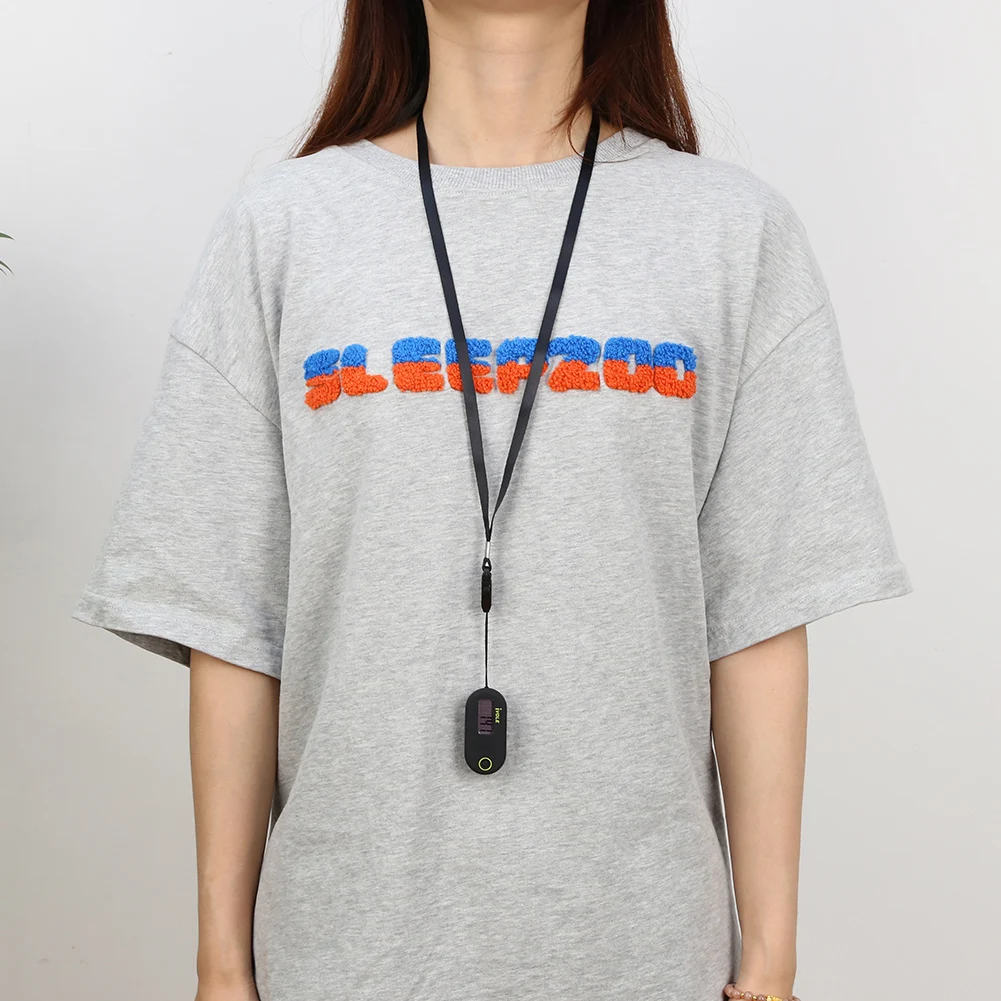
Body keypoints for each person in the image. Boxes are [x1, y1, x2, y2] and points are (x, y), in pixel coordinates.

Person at [72, 1, 912, 999]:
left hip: (644, 954)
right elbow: (232, 623)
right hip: (342, 955)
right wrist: (220, 968)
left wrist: (768, 965)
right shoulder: (282, 229)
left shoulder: (732, 233)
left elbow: (759, 613)